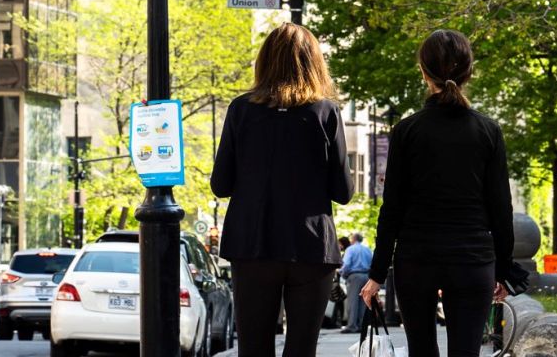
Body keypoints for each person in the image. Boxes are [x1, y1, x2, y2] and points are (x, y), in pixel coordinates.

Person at [359, 29, 514, 357]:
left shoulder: (407, 131)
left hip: (417, 258)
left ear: (423, 72)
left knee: (421, 351)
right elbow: (501, 206)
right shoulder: (488, 132)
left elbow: (393, 209)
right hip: (472, 257)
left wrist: (376, 275)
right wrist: (504, 268)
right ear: (469, 72)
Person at [212, 23, 354, 357]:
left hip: (253, 243)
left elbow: (220, 185)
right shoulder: (325, 112)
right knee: (302, 349)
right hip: (310, 245)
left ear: (265, 61)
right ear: (313, 63)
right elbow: (343, 191)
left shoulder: (241, 110)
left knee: (254, 348)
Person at [339, 233, 372, 334]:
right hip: (366, 276)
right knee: (363, 301)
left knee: (352, 302)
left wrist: (342, 274)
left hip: (354, 276)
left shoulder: (350, 249)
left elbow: (346, 264)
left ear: (353, 239)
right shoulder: (367, 249)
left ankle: (352, 326)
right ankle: (362, 326)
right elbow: (372, 263)